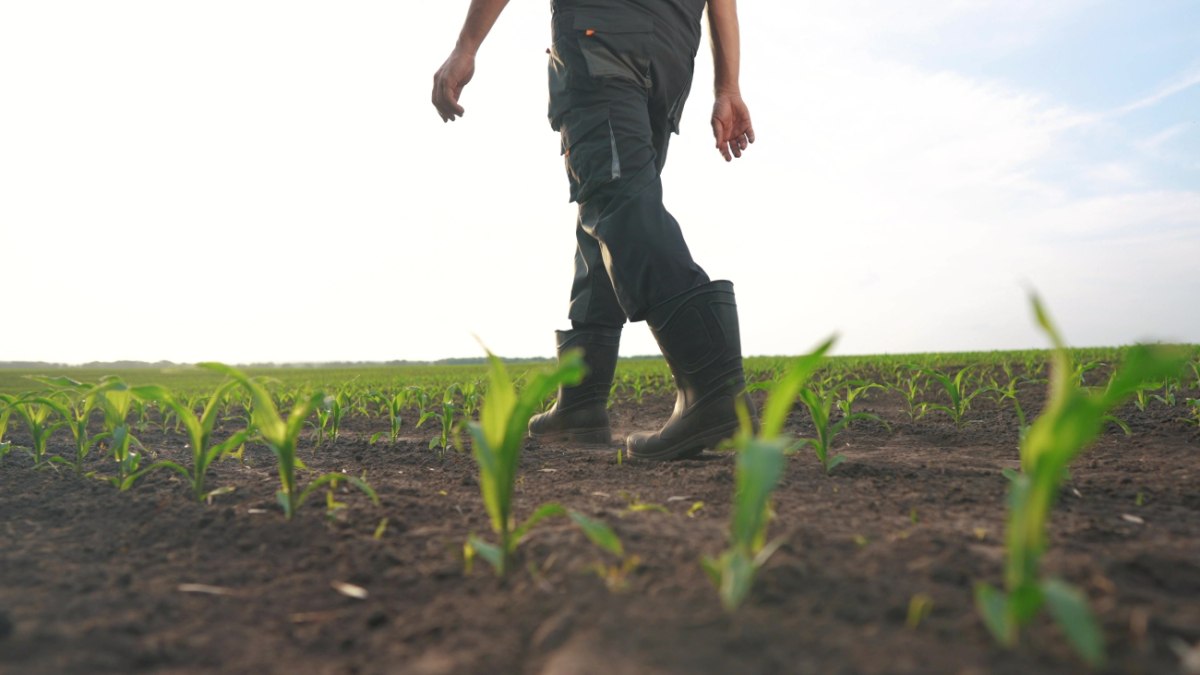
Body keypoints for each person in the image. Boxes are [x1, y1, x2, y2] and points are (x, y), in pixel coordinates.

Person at [433, 0, 755, 461]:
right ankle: (581, 404)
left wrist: (465, 46)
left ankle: (712, 388)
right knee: (605, 210)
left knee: (618, 204)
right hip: (669, 56)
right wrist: (727, 86)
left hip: (600, 36)